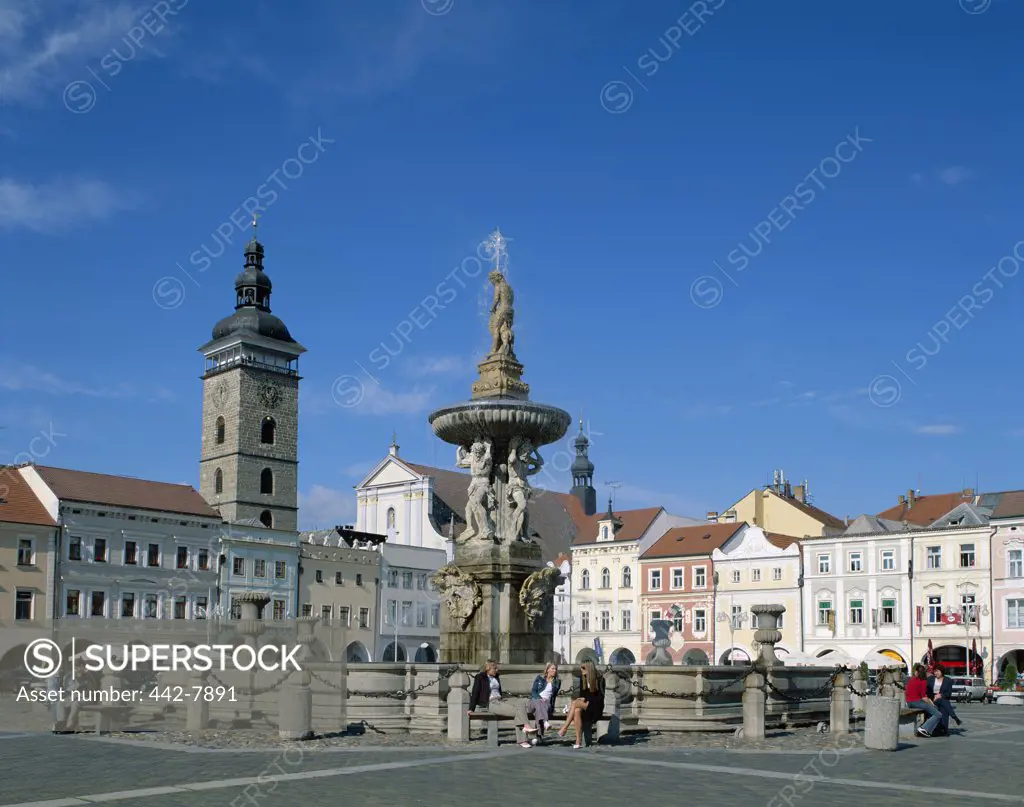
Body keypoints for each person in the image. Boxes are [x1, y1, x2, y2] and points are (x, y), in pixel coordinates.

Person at [468, 659, 534, 748]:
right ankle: (523, 739)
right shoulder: (480, 677)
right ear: (488, 668)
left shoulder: (496, 677)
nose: (497, 670)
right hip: (492, 703)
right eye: (495, 668)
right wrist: (471, 708)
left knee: (520, 702)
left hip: (501, 700)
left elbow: (498, 691)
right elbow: (475, 692)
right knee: (518, 712)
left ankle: (525, 729)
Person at [557, 660, 604, 749]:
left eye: (583, 668)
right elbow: (583, 695)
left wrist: (586, 699)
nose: (581, 670)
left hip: (596, 707)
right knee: (577, 710)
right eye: (581, 668)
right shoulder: (583, 679)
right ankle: (578, 741)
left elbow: (601, 697)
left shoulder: (600, 679)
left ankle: (564, 727)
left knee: (575, 703)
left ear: (589, 668)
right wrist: (583, 698)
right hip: (586, 705)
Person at [905, 663, 943, 738]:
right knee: (938, 714)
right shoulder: (923, 681)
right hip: (917, 702)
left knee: (934, 710)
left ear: (916, 672)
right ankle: (924, 728)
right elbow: (924, 698)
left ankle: (925, 729)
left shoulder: (911, 679)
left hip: (909, 703)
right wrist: (932, 704)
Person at [526, 663, 561, 740]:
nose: (555, 671)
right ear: (547, 669)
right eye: (553, 669)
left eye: (555, 669)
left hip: (546, 704)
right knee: (539, 703)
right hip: (534, 701)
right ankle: (545, 722)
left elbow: (553, 696)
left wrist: (551, 706)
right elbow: (533, 692)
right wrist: (539, 698)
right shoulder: (539, 678)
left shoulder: (557, 681)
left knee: (539, 709)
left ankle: (538, 736)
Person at [927, 664, 960, 735]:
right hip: (932, 700)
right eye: (935, 671)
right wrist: (934, 696)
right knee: (944, 705)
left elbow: (949, 694)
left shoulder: (948, 680)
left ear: (942, 671)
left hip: (942, 699)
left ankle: (944, 730)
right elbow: (927, 691)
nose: (936, 673)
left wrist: (941, 695)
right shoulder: (930, 679)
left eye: (938, 671)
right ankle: (953, 715)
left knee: (944, 708)